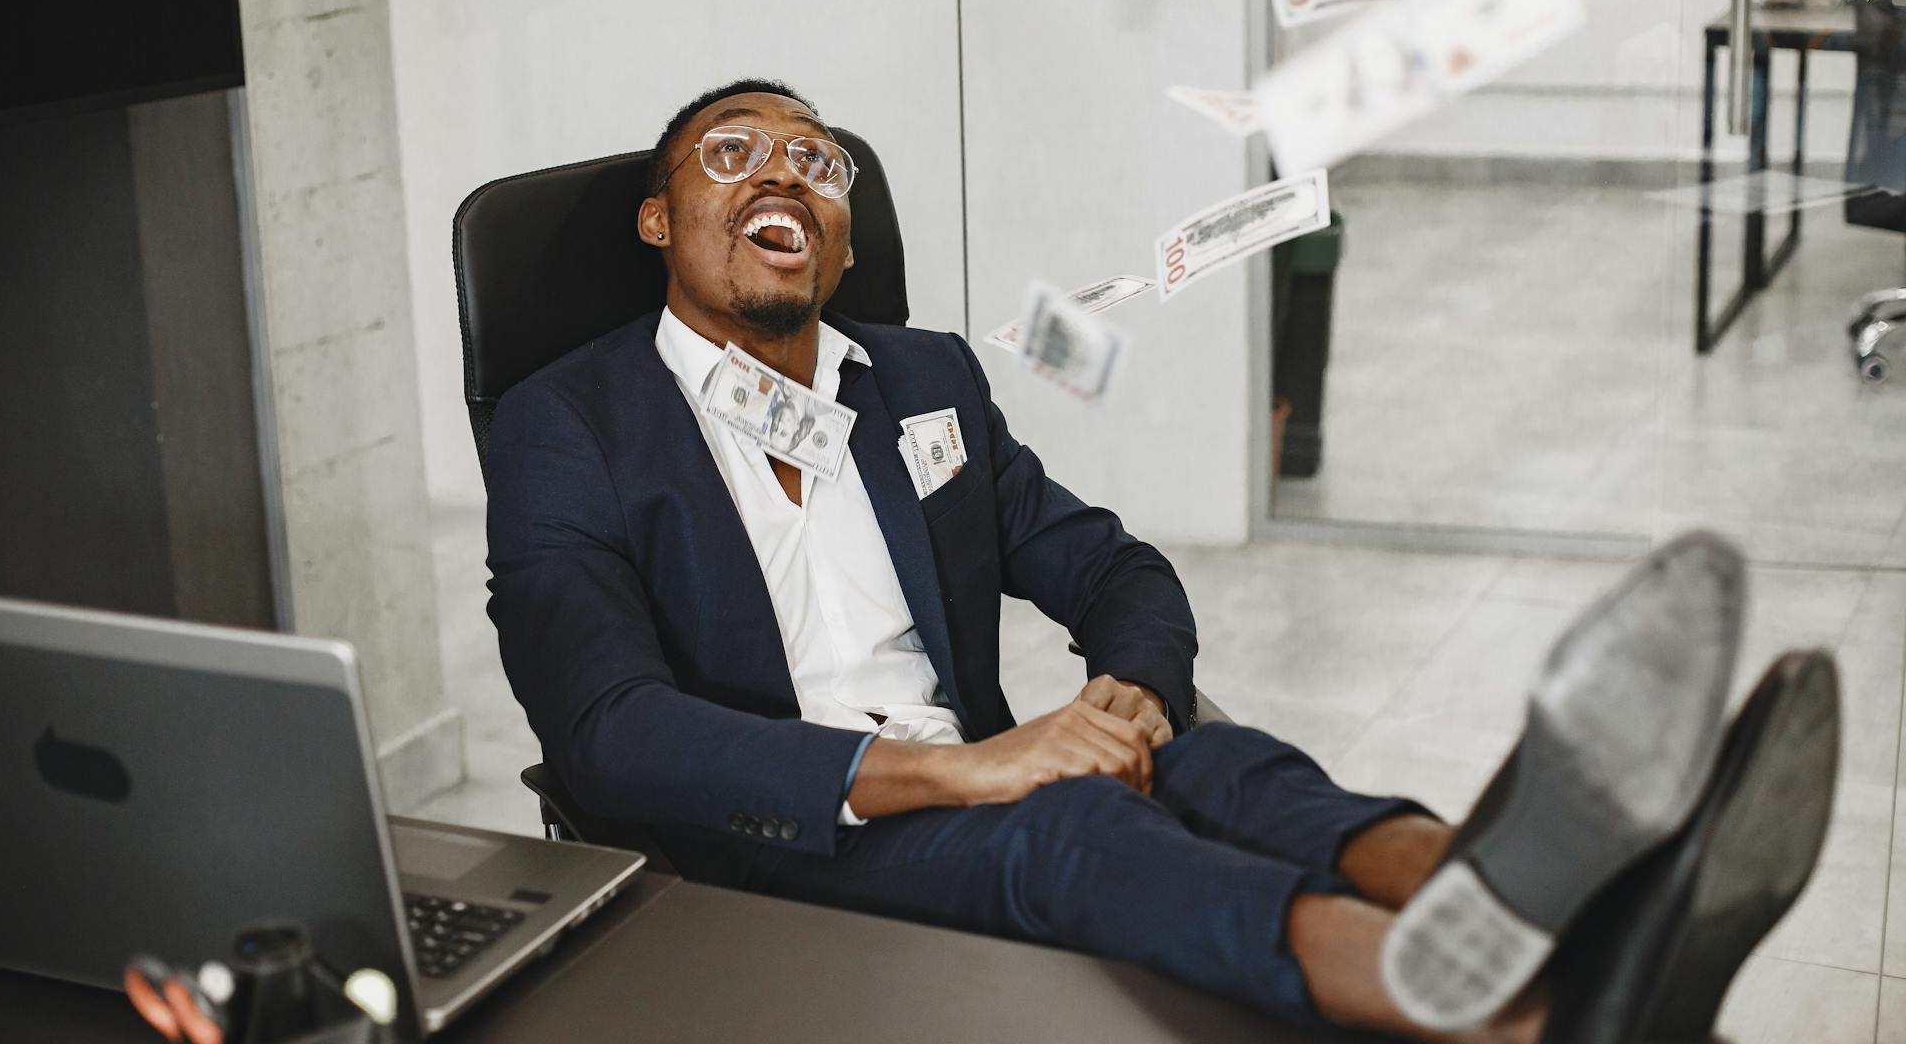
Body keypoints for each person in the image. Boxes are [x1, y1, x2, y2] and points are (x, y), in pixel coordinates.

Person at [483, 79, 1838, 1041]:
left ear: (843, 232)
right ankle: (1503, 1006)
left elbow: (1109, 566)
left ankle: (1492, 894)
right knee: (1072, 832)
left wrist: (1132, 692)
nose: (784, 170)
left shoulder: (916, 383)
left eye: (817, 160)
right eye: (732, 152)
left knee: (1210, 757)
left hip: (966, 782)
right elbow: (608, 732)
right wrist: (959, 768)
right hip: (777, 841)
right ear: (660, 222)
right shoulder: (572, 423)